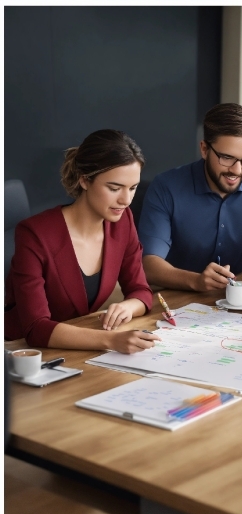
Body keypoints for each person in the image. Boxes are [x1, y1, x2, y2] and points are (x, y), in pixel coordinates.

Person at [5, 130, 160, 354]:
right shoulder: (34, 234)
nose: (126, 200)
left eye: (133, 188)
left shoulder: (122, 220)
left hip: (78, 346)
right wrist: (111, 341)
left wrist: (128, 307)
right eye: (114, 188)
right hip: (24, 353)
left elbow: (140, 290)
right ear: (85, 180)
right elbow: (35, 328)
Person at [138, 103, 242, 291]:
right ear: (204, 149)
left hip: (231, 298)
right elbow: (148, 264)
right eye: (227, 158)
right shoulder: (166, 187)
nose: (237, 170)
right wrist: (196, 281)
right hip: (171, 296)